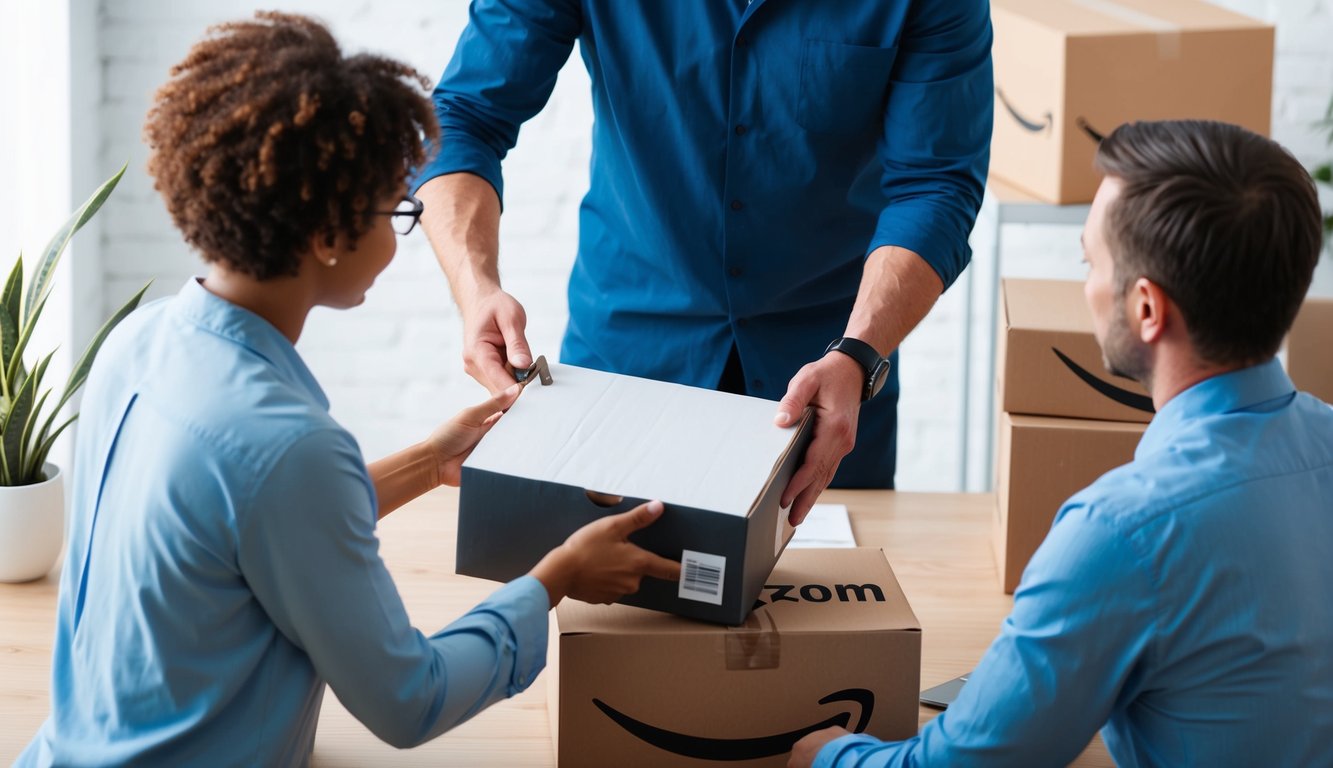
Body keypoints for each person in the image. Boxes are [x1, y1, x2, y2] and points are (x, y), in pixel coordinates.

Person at [18, 13, 679, 766]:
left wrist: (433, 459)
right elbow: (410, 700)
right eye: (395, 210)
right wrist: (557, 577)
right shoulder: (289, 446)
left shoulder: (138, 343)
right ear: (328, 235)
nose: (402, 232)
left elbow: (251, 524)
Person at [790, 120, 1333, 767]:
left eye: (1088, 262)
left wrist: (828, 758)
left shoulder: (1123, 532)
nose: (1083, 285)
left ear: (1146, 310)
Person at [414, 1, 994, 522]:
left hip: (831, 378)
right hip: (624, 366)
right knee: (608, 628)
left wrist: (859, 352)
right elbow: (465, 118)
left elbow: (936, 184)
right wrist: (476, 287)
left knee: (827, 628)